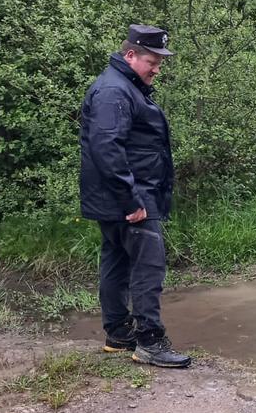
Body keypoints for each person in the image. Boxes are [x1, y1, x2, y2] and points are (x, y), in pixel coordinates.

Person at [79, 24, 190, 368]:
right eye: (152, 61)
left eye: (159, 62)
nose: (157, 69)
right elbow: (106, 147)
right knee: (148, 266)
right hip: (129, 196)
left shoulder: (125, 86)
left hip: (115, 195)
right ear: (130, 55)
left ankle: (118, 333)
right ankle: (149, 341)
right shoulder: (114, 91)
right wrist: (132, 200)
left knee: (116, 260)